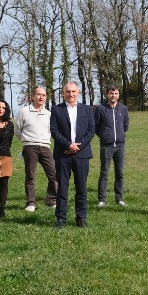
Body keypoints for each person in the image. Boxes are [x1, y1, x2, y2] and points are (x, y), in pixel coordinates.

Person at [50, 81, 95, 229]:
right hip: (63, 154)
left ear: (78, 93)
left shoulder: (87, 109)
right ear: (63, 93)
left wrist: (77, 147)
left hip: (82, 154)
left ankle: (81, 218)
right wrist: (68, 145)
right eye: (68, 92)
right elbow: (54, 131)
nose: (71, 94)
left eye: (73, 91)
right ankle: (61, 218)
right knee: (62, 187)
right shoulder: (56, 109)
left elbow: (91, 131)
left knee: (81, 187)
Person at [14, 87, 58, 212]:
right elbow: (17, 130)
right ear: (33, 96)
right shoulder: (24, 111)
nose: (41, 97)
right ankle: (31, 203)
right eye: (38, 94)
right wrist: (27, 140)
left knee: (54, 173)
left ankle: (51, 200)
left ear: (46, 97)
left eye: (43, 95)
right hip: (30, 146)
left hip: (45, 146)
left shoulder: (49, 114)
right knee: (30, 175)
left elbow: (51, 131)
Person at [94, 85, 129, 207]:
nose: (113, 96)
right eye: (111, 93)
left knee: (120, 173)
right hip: (106, 146)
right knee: (104, 173)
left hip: (120, 146)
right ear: (107, 94)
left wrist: (120, 136)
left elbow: (126, 126)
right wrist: (104, 136)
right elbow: (96, 126)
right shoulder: (100, 109)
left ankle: (119, 198)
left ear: (118, 95)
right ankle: (102, 200)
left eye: (116, 93)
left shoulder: (123, 108)